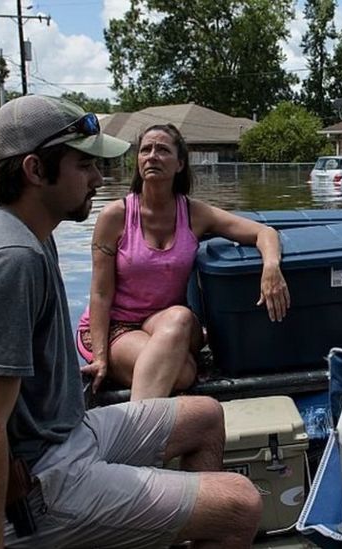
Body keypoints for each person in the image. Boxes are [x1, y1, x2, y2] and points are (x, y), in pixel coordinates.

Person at [0, 95, 262, 548]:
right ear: (35, 171)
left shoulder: (30, 236)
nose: (99, 178)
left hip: (65, 434)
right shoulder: (9, 259)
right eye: (84, 165)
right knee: (240, 503)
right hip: (39, 482)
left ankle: (177, 524)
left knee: (203, 415)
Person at [76, 123, 290, 400]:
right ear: (138, 161)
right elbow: (101, 294)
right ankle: (139, 434)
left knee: (180, 317)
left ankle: (137, 429)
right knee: (183, 373)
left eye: (162, 150)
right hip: (116, 328)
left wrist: (271, 268)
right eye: (145, 150)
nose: (152, 156)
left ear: (179, 164)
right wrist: (102, 359)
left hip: (168, 323)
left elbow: (264, 232)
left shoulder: (194, 214)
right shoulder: (114, 216)